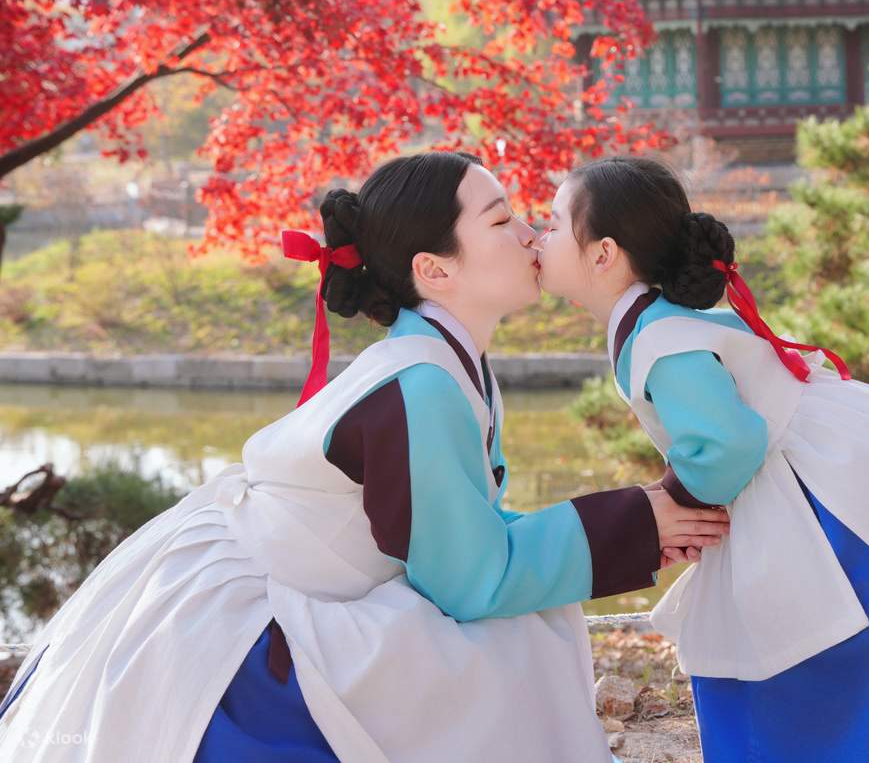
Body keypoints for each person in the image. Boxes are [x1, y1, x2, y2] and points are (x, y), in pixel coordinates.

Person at [0, 151, 729, 762]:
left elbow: (465, 546)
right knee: (510, 638)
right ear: (435, 271)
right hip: (252, 636)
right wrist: (639, 521)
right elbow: (472, 577)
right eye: (503, 220)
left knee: (522, 627)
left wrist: (634, 518)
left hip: (291, 584)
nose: (534, 234)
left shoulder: (441, 357)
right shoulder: (421, 380)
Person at [536, 155, 869, 763]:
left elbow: (726, 445)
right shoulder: (657, 326)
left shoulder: (660, 340)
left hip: (821, 492)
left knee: (806, 653)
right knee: (828, 647)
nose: (539, 234)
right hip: (832, 465)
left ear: (603, 254)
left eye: (554, 222)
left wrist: (673, 503)